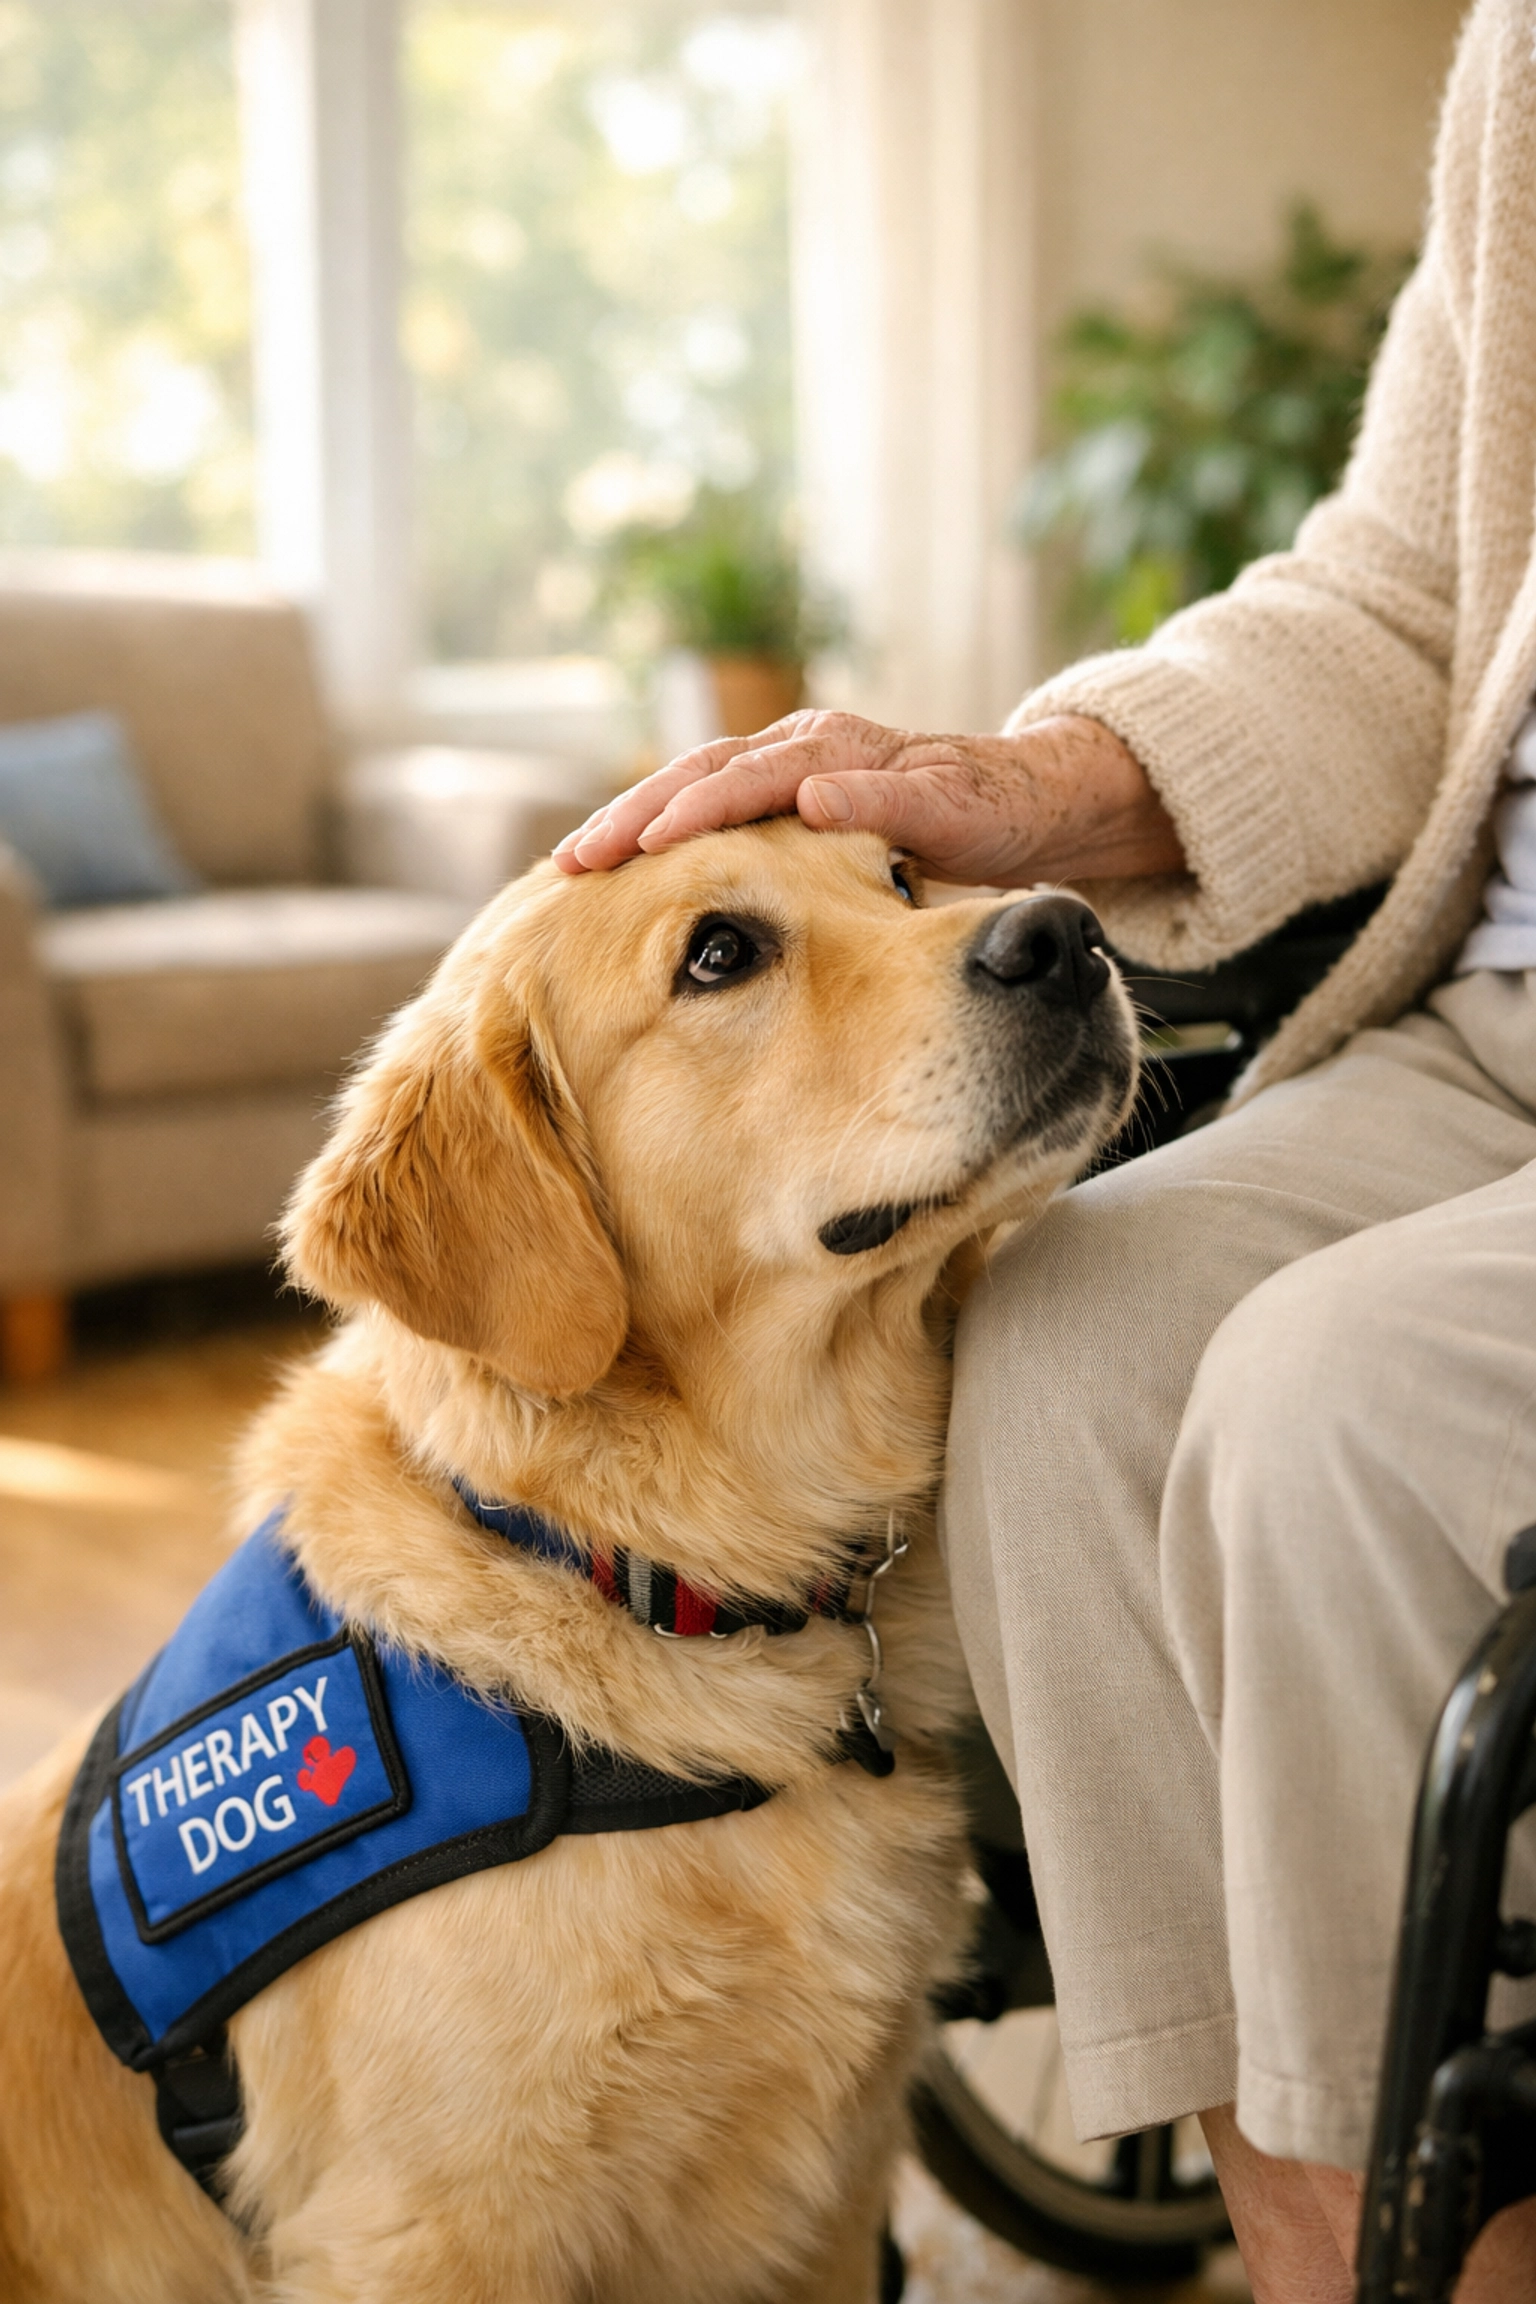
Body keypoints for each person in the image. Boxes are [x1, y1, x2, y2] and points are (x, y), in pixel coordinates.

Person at [554, 2, 1536, 2294]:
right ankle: (1325, 2251)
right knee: (1074, 1333)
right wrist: (1040, 781)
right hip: (1495, 1019)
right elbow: (1413, 591)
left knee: (1332, 1401)